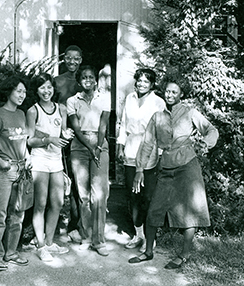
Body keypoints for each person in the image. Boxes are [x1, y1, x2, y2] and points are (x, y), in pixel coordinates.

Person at [129, 79, 219, 268]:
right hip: (166, 167)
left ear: (181, 95)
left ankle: (184, 255)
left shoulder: (190, 113)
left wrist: (206, 142)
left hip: (188, 167)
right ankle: (148, 252)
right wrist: (139, 169)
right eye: (167, 92)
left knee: (190, 212)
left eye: (174, 92)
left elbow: (211, 130)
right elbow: (147, 143)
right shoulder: (157, 117)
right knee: (154, 210)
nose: (169, 95)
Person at [0, 76, 30, 271]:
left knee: (17, 214)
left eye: (24, 92)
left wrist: (27, 158)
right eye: (19, 91)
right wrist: (4, 164)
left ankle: (10, 252)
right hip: (3, 172)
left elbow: (22, 141)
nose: (22, 95)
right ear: (9, 92)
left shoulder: (21, 114)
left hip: (21, 170)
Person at [116, 68, 166, 252]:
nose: (142, 84)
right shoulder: (129, 98)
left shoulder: (158, 102)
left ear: (152, 84)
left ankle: (150, 236)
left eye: (146, 81)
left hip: (150, 151)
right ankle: (138, 234)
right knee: (133, 195)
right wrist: (120, 146)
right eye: (139, 80)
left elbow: (162, 130)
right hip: (130, 149)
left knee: (148, 196)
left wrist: (160, 153)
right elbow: (122, 123)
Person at [27, 72, 74, 262]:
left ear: (53, 88)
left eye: (49, 87)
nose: (46, 91)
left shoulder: (61, 109)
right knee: (40, 204)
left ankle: (48, 242)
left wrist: (67, 134)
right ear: (36, 91)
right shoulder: (33, 111)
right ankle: (40, 246)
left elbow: (63, 133)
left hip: (56, 161)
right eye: (41, 87)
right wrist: (49, 139)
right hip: (39, 160)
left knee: (58, 203)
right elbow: (30, 140)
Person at [67, 65, 111, 256]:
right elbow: (76, 128)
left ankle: (99, 240)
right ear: (79, 81)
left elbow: (103, 125)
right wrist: (89, 147)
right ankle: (86, 236)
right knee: (83, 195)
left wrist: (98, 147)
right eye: (84, 77)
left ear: (95, 80)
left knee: (99, 195)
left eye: (91, 77)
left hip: (100, 145)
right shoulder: (72, 101)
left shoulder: (104, 98)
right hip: (79, 146)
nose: (88, 80)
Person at [54, 44, 83, 243]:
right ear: (64, 59)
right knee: (56, 181)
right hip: (59, 137)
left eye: (76, 58)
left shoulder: (86, 81)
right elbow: (51, 107)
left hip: (80, 139)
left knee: (77, 184)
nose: (72, 61)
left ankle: (75, 226)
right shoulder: (57, 81)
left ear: (81, 60)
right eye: (69, 57)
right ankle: (53, 226)